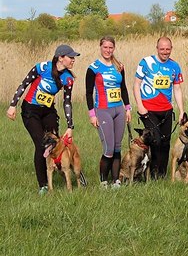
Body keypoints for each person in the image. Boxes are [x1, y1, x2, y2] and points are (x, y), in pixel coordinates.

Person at [6, 44, 79, 194]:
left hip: (48, 111)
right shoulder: (42, 67)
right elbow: (24, 84)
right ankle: (43, 185)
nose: (73, 60)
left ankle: (61, 169)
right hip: (30, 110)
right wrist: (13, 105)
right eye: (70, 57)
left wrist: (70, 126)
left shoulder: (68, 78)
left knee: (55, 142)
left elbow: (67, 102)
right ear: (60, 58)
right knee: (42, 144)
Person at [134, 36, 184, 179]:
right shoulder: (146, 62)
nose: (165, 52)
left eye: (168, 49)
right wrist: (140, 106)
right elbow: (136, 85)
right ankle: (152, 172)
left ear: (171, 49)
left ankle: (162, 173)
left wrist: (181, 111)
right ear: (157, 49)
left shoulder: (175, 66)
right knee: (155, 141)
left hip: (167, 110)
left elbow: (177, 89)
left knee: (166, 142)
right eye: (162, 49)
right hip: (149, 110)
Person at [86, 36, 132, 188]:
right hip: (103, 110)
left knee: (118, 147)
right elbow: (88, 93)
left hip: (119, 109)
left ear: (114, 48)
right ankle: (103, 181)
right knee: (109, 148)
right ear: (100, 47)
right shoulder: (93, 68)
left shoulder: (119, 66)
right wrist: (92, 115)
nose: (108, 50)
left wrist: (128, 108)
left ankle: (116, 181)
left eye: (110, 47)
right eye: (105, 47)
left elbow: (123, 88)